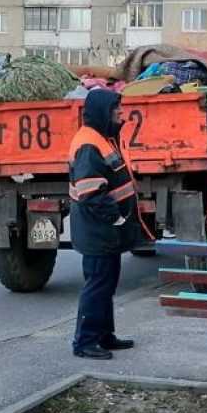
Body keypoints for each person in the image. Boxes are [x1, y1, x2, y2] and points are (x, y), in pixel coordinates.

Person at [68, 89, 140, 360]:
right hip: (98, 230)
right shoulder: (89, 143)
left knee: (106, 284)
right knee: (97, 285)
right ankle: (85, 341)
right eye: (116, 110)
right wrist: (116, 217)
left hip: (105, 230)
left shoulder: (101, 138)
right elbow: (91, 193)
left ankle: (103, 334)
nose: (121, 114)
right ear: (102, 112)